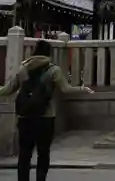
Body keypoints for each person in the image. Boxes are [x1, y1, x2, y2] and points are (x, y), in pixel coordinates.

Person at [0, 40, 94, 181]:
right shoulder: (53, 70)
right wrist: (83, 89)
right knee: (43, 153)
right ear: (48, 53)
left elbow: (8, 89)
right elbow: (65, 89)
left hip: (25, 117)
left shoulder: (23, 68)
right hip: (45, 118)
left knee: (24, 154)